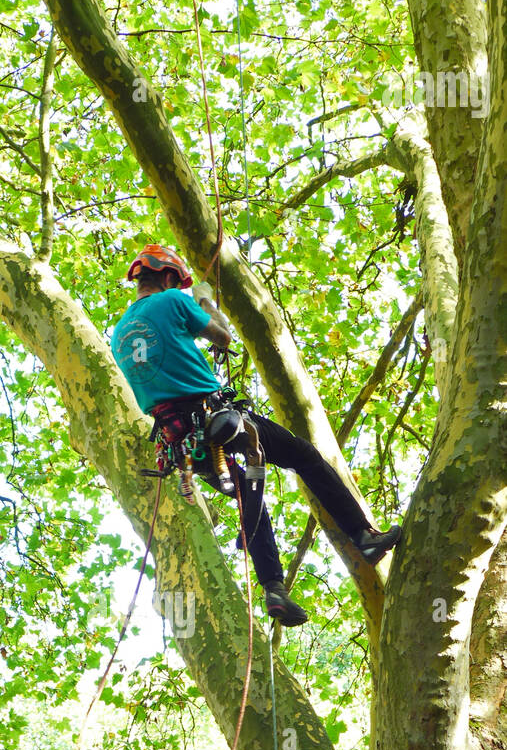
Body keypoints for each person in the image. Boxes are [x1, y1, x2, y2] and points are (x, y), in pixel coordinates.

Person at [110, 243, 401, 625]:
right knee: (304, 456)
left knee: (252, 494)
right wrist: (204, 300)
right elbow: (223, 337)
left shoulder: (118, 334)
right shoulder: (173, 302)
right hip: (213, 416)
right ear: (167, 277)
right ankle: (363, 536)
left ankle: (274, 590)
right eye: (176, 284)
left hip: (182, 444)